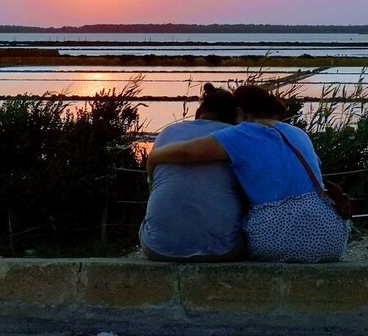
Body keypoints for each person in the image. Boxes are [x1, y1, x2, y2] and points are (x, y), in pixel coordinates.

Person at [146, 84, 349, 263]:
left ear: (240, 111)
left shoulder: (241, 134)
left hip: (276, 239)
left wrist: (153, 157)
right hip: (331, 238)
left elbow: (186, 152)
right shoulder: (298, 133)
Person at [139, 84, 246, 262]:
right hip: (222, 250)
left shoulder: (168, 132)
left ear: (199, 113)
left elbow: (152, 185)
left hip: (158, 248)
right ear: (234, 115)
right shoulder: (234, 136)